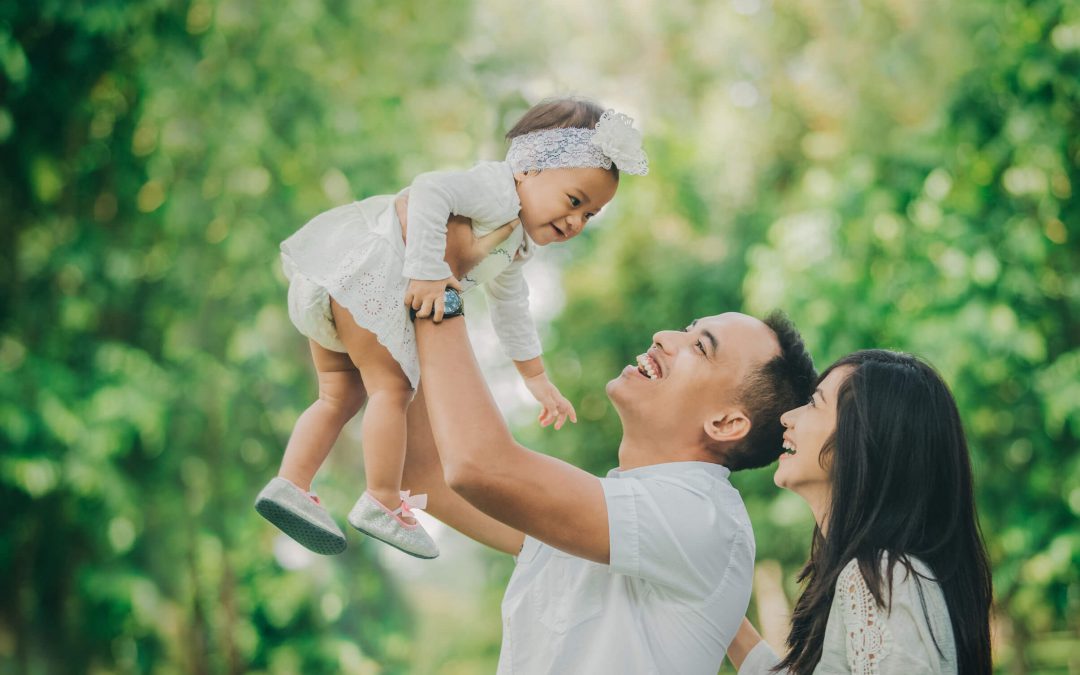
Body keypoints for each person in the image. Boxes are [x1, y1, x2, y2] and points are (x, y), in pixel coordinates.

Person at [255, 98, 648, 559]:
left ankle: (290, 484)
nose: (576, 222)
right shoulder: (497, 191)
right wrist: (425, 269)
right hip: (373, 274)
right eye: (575, 201)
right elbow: (429, 191)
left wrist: (535, 376)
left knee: (338, 396)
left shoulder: (516, 243)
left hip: (341, 282)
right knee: (392, 390)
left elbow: (511, 306)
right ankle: (381, 500)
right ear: (530, 168)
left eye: (590, 215)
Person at [407, 308, 817, 674]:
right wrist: (395, 308)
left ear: (726, 423)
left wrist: (441, 289)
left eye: (700, 347)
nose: (664, 336)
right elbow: (424, 475)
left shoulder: (703, 515)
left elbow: (477, 466)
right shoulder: (612, 514)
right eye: (687, 328)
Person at [727, 350, 994, 674]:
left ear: (863, 440)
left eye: (814, 403)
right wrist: (719, 607)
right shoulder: (887, 575)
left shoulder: (883, 576)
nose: (788, 416)